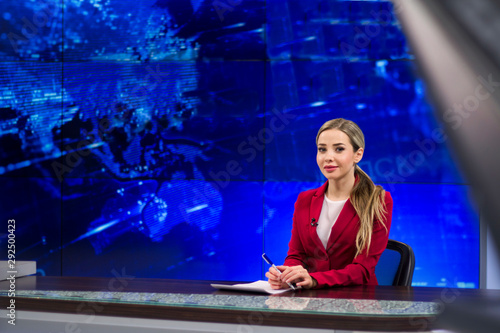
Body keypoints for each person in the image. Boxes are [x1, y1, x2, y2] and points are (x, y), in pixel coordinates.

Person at [266, 118, 393, 289]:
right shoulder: (305, 200)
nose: (328, 157)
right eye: (322, 149)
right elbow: (297, 255)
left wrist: (315, 280)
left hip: (359, 303)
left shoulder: (378, 200)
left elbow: (362, 269)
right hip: (310, 300)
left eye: (339, 149)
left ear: (358, 154)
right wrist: (287, 274)